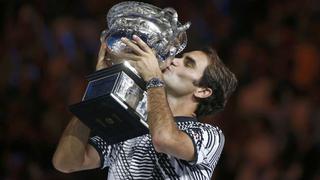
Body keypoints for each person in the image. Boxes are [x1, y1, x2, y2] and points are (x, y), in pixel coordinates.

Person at [52, 35, 237, 179]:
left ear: (203, 91)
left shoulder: (209, 135)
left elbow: (164, 139)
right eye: (180, 57)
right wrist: (99, 87)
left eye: (188, 64)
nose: (174, 60)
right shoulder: (132, 121)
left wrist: (154, 79)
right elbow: (66, 162)